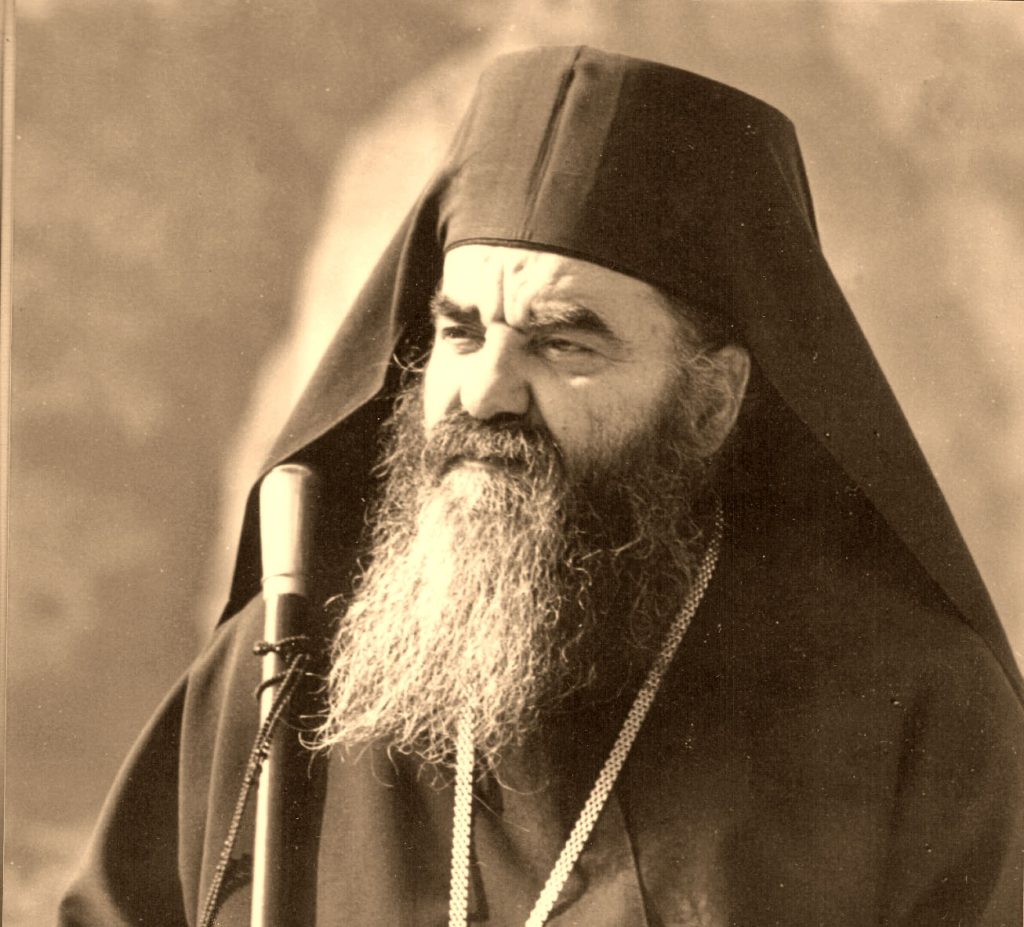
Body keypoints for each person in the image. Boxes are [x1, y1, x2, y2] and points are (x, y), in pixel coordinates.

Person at [60, 46, 1023, 927]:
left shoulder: (920, 718)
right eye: (460, 331)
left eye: (564, 342)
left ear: (711, 402)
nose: (485, 392)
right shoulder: (280, 675)